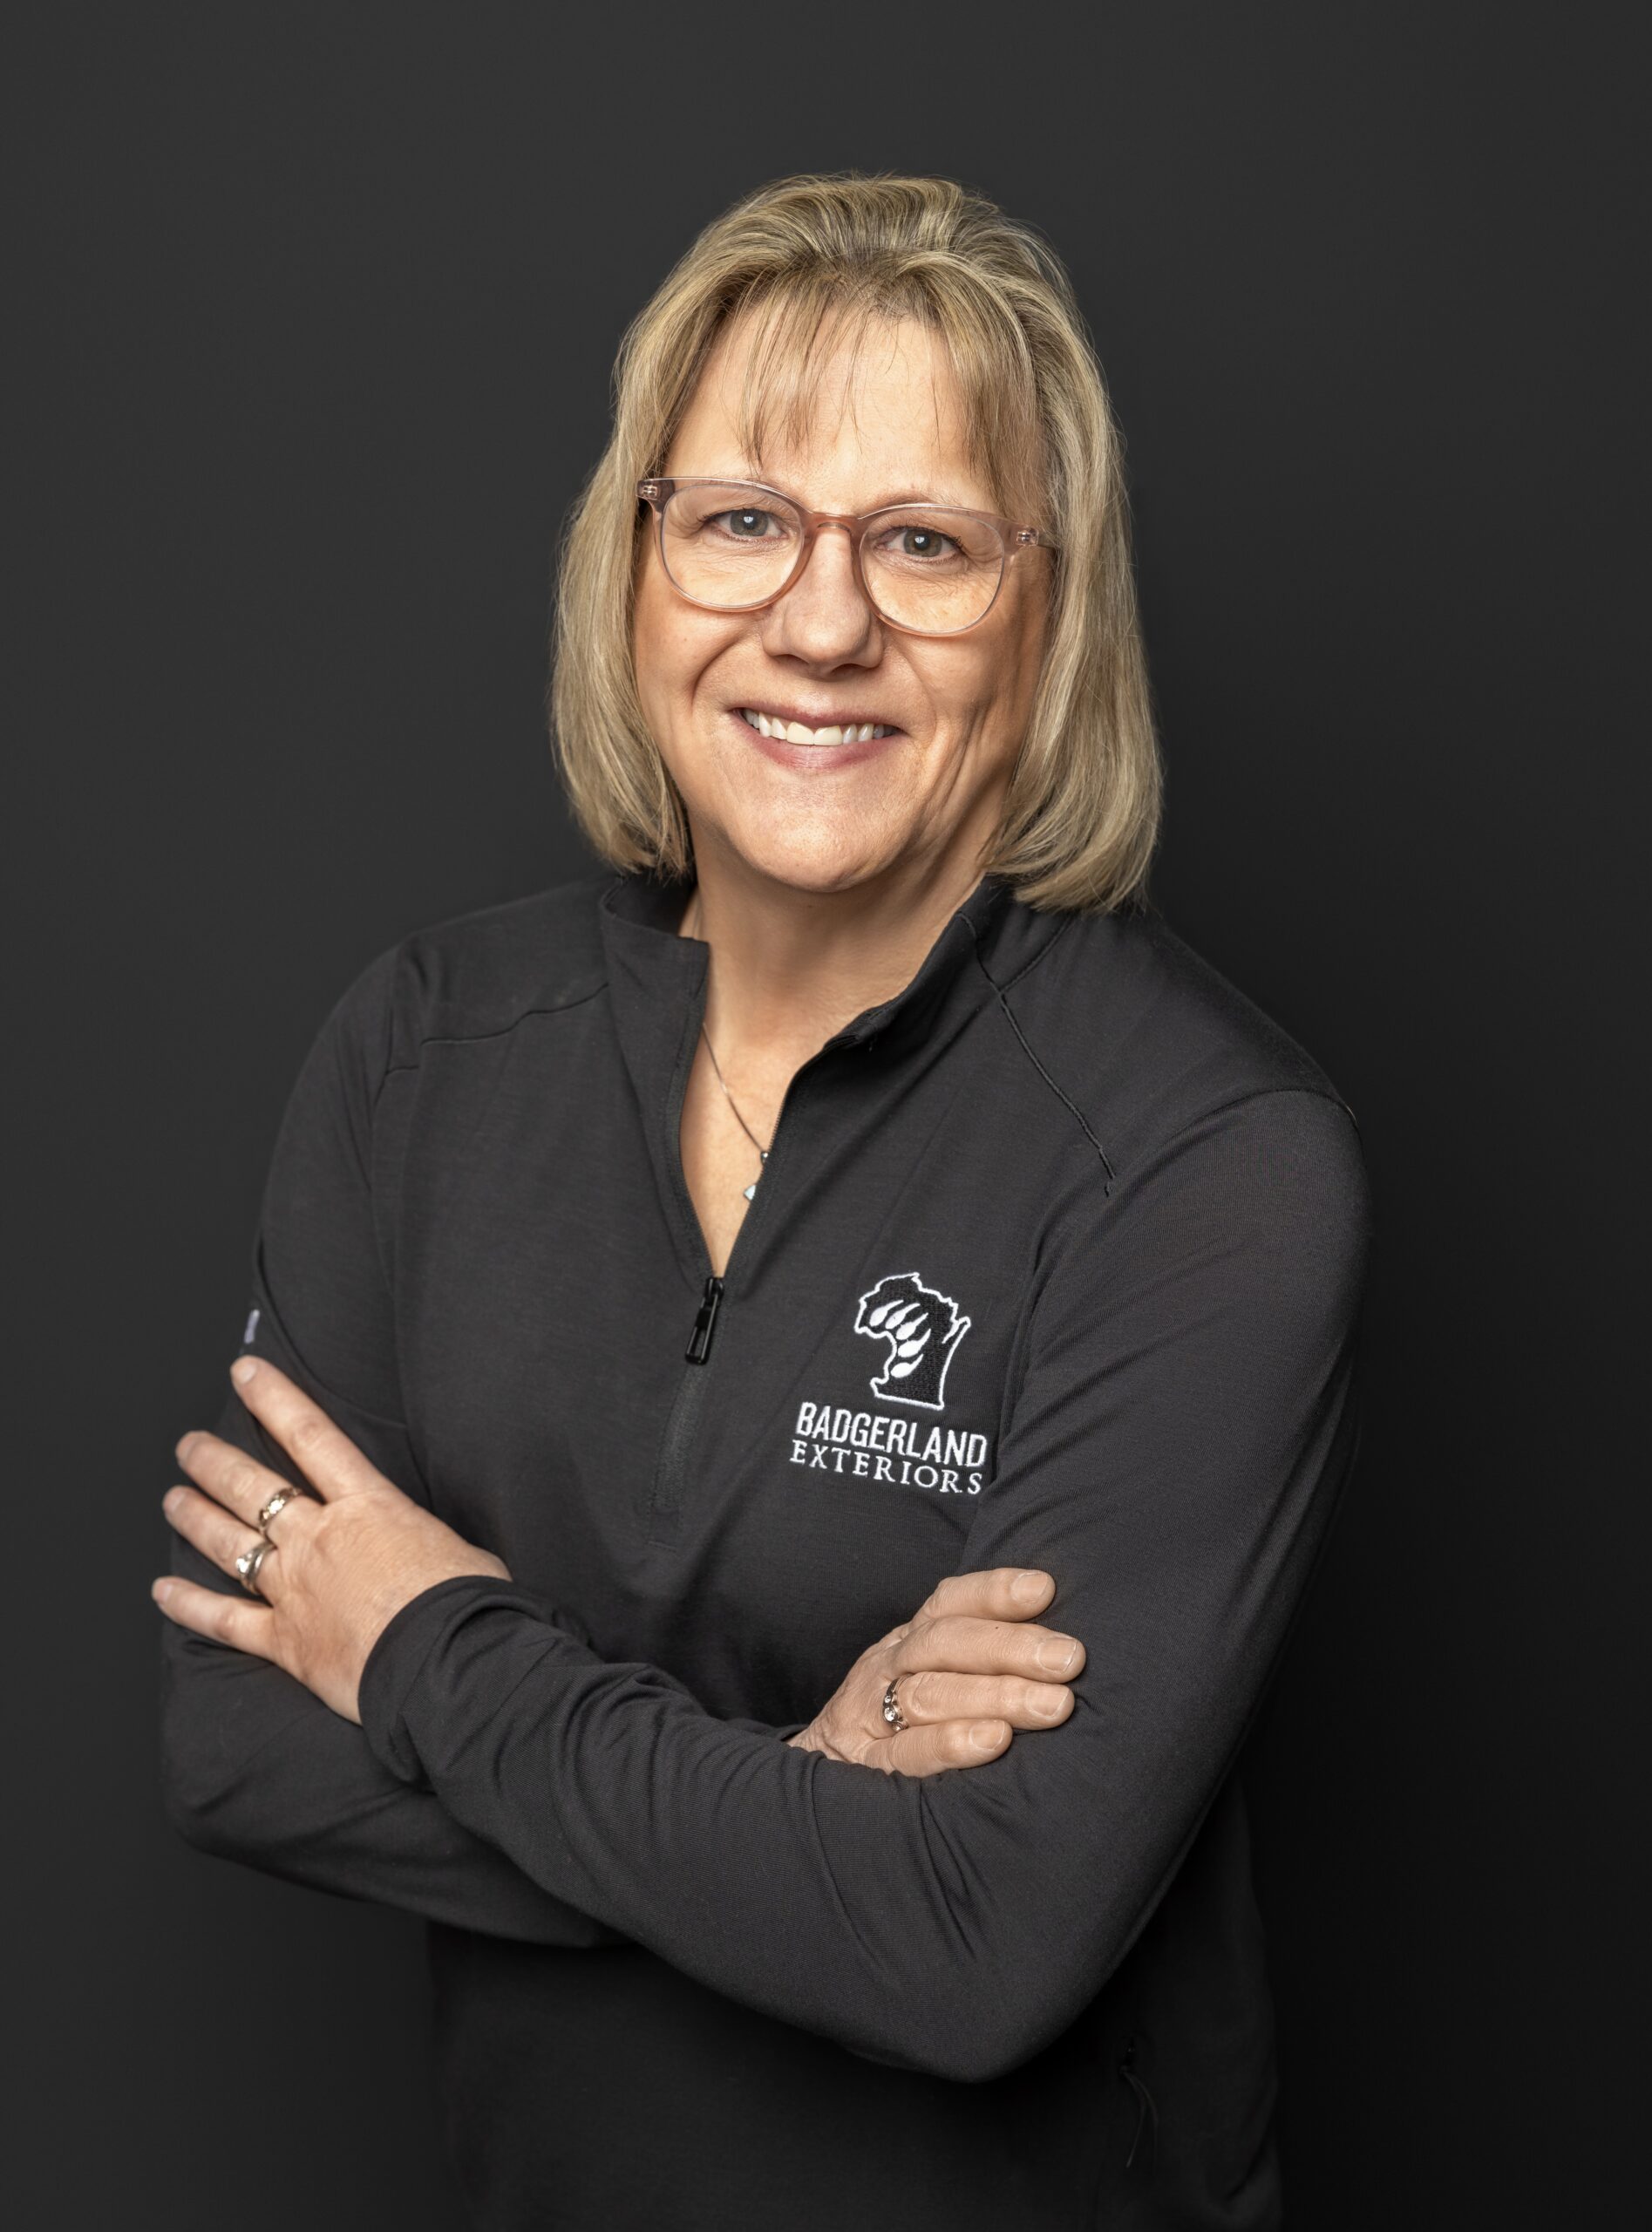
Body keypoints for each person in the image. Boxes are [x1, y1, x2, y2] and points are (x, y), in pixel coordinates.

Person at [152, 171, 1373, 2231]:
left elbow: (977, 1937)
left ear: (1049, 609)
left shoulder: (1213, 1156)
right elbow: (234, 1736)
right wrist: (803, 1790)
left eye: (923, 542)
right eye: (740, 521)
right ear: (631, 572)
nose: (820, 620)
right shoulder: (425, 1047)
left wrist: (428, 1646)